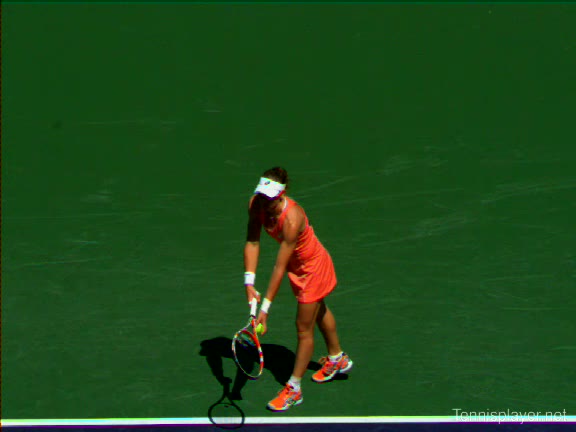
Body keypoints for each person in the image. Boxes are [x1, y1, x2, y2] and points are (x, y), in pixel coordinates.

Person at [243, 167, 353, 412]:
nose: (264, 203)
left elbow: (279, 267)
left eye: (269, 199)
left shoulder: (292, 219)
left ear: (281, 195)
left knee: (303, 328)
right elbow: (252, 241)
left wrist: (265, 309)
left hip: (313, 269)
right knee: (318, 310)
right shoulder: (256, 205)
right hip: (297, 266)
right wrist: (249, 283)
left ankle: (294, 389)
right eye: (261, 196)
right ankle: (337, 358)